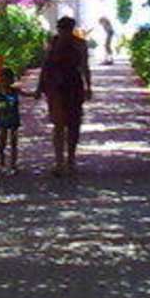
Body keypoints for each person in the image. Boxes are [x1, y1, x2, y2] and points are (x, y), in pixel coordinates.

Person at [34, 15, 93, 177]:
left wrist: (88, 86)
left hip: (73, 85)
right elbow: (45, 65)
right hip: (56, 86)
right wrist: (40, 86)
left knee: (73, 124)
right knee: (59, 124)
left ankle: (70, 160)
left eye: (66, 29)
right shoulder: (53, 43)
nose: (64, 32)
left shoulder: (79, 44)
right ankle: (59, 161)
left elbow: (84, 66)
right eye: (62, 29)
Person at [0, 81, 23, 170]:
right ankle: (2, 162)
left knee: (13, 142)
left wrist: (37, 93)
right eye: (2, 79)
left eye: (6, 79)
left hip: (13, 119)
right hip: (2, 120)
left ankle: (13, 164)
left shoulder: (15, 91)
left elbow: (27, 94)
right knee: (2, 141)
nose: (4, 82)